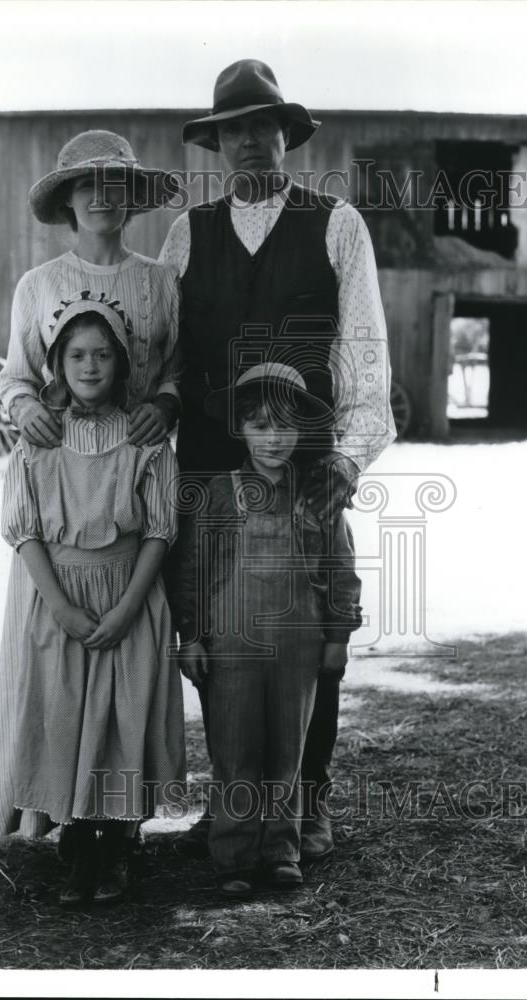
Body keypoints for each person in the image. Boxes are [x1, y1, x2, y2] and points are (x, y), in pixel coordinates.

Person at [160, 59, 396, 861]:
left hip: (304, 462)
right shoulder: (187, 233)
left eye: (263, 126)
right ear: (217, 143)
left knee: (308, 634)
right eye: (234, 130)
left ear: (286, 136)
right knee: (218, 639)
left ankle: (305, 801)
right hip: (209, 465)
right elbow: (166, 356)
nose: (250, 141)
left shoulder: (336, 225)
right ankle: (236, 802)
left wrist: (349, 460)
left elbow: (364, 352)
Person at [0, 294, 185, 905]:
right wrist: (62, 607)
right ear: (57, 365)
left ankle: (116, 845)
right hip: (60, 598)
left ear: (122, 364)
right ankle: (77, 846)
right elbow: (24, 532)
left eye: (102, 355)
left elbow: (159, 531)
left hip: (129, 596)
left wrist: (127, 608)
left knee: (124, 716)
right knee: (64, 713)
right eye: (76, 355)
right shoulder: (38, 443)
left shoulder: (148, 442)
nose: (90, 366)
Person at [172, 363, 362, 899]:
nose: (274, 437)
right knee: (235, 750)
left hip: (299, 646)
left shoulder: (317, 498)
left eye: (285, 425)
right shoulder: (218, 494)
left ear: (301, 430)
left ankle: (281, 850)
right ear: (240, 428)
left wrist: (338, 637)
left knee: (288, 750)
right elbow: (191, 570)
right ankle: (234, 856)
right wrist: (190, 636)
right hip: (231, 647)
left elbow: (341, 569)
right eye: (260, 425)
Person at [0, 129, 183, 449]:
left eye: (113, 184)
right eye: (86, 185)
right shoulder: (37, 285)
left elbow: (175, 372)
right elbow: (17, 376)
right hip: (62, 457)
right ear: (67, 197)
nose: (100, 197)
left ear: (130, 193)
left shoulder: (163, 280)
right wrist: (25, 408)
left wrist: (164, 408)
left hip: (143, 457)